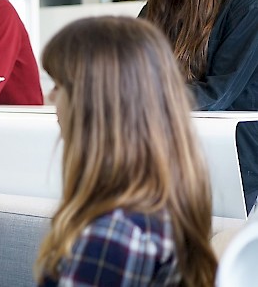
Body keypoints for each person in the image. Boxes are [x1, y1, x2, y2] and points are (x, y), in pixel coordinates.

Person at [35, 17, 217, 286]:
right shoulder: (160, 206)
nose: (50, 98)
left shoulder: (113, 236)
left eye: (59, 86)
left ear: (95, 105)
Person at [141, 0, 258, 211]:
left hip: (232, 159)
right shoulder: (155, 9)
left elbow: (217, 93)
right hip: (170, 154)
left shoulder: (247, 1)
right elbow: (131, 74)